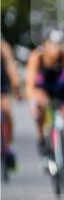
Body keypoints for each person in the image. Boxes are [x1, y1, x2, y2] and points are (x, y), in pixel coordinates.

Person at [25, 29, 64, 187]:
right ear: (45, 45)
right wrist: (34, 102)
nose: (56, 48)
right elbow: (30, 86)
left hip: (60, 90)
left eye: (59, 44)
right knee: (40, 109)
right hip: (42, 89)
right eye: (52, 44)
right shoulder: (37, 57)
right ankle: (41, 139)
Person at [1, 38, 22, 172]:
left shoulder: (3, 46)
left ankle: (8, 144)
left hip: (2, 86)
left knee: (7, 111)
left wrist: (16, 85)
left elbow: (10, 66)